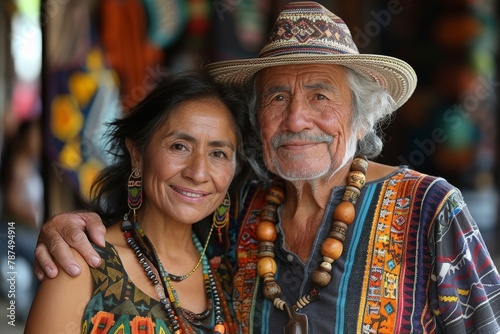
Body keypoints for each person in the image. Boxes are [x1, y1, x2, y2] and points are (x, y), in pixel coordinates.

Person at [33, 2, 500, 333]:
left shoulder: (430, 208)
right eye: (278, 97)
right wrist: (66, 226)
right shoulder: (239, 211)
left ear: (360, 118)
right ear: (259, 119)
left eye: (320, 95)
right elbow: (156, 234)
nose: (296, 119)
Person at [25, 71, 255, 333]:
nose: (198, 173)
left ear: (234, 169)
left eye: (218, 153)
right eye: (179, 146)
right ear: (137, 154)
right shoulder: (81, 265)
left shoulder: (230, 271)